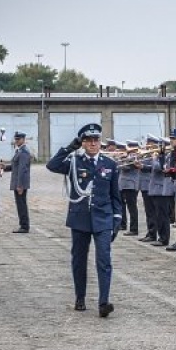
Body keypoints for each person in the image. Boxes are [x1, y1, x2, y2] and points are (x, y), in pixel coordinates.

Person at [47, 123, 123, 317]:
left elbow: (115, 195)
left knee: (104, 260)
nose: (92, 143)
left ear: (100, 142)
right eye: (88, 140)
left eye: (96, 140)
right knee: (79, 260)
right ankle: (80, 297)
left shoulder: (110, 164)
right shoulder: (74, 162)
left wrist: (117, 218)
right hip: (80, 218)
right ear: (82, 142)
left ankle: (103, 302)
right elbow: (52, 165)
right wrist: (71, 146)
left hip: (103, 218)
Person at [4, 131, 32, 232]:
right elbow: (15, 167)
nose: (16, 141)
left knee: (21, 205)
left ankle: (24, 226)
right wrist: (5, 167)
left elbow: (22, 170)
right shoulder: (19, 151)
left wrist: (20, 185)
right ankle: (23, 225)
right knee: (20, 204)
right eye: (16, 139)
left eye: (18, 139)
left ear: (23, 140)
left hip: (20, 184)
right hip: (18, 183)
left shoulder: (24, 152)